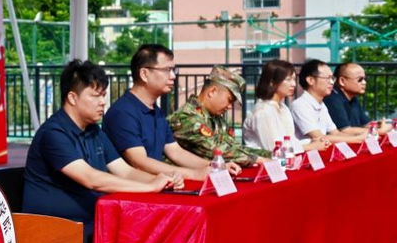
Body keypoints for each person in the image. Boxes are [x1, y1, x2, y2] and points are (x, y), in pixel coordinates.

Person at [22, 60, 174, 243]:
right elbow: (91, 178)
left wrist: (160, 180)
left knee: (133, 232)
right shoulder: (54, 133)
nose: (103, 101)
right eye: (95, 95)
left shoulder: (95, 132)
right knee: (110, 238)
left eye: (104, 94)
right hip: (50, 228)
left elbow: (124, 171)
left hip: (86, 219)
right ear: (72, 97)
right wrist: (148, 187)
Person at [103, 44, 237, 180]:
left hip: (158, 185)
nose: (173, 76)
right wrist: (193, 174)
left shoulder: (156, 112)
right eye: (167, 70)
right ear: (144, 74)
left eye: (174, 70)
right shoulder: (122, 113)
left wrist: (216, 166)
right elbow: (139, 162)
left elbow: (176, 152)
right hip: (134, 190)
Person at [169, 66, 271, 167]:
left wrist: (270, 155)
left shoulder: (217, 119)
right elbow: (218, 151)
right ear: (212, 91)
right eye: (229, 100)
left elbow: (234, 148)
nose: (230, 106)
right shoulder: (187, 117)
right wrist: (258, 159)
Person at [243, 60, 329, 152]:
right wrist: (310, 146)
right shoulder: (263, 112)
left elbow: (291, 141)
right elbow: (274, 150)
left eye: (294, 79)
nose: (294, 84)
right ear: (272, 82)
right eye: (288, 80)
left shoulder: (283, 107)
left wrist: (312, 142)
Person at [292, 59, 367, 145]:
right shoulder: (300, 105)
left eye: (332, 78)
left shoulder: (322, 105)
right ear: (310, 80)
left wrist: (362, 136)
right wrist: (357, 139)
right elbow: (319, 138)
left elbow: (336, 133)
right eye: (327, 78)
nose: (332, 82)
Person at [324, 62, 393, 136]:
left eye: (365, 79)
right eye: (360, 79)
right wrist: (378, 131)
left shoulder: (352, 98)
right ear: (342, 81)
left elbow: (365, 124)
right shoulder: (332, 99)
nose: (364, 82)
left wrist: (377, 125)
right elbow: (344, 130)